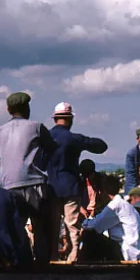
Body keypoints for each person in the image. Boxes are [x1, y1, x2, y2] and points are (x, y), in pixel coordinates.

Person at [0, 92, 58, 265]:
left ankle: (18, 264)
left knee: (15, 228)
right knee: (40, 228)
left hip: (9, 187)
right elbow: (52, 149)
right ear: (27, 108)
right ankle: (43, 265)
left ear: (8, 110)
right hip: (35, 183)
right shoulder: (37, 127)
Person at [47, 102, 108, 262]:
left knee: (53, 226)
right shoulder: (73, 139)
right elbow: (101, 146)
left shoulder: (45, 138)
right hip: (70, 186)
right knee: (72, 224)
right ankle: (73, 257)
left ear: (55, 119)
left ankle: (52, 257)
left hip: (51, 186)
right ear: (70, 119)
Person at [81, 174, 140, 262]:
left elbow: (94, 226)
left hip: (128, 253)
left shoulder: (115, 205)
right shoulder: (124, 204)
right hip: (135, 251)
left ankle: (82, 268)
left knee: (89, 235)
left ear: (103, 191)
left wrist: (84, 221)